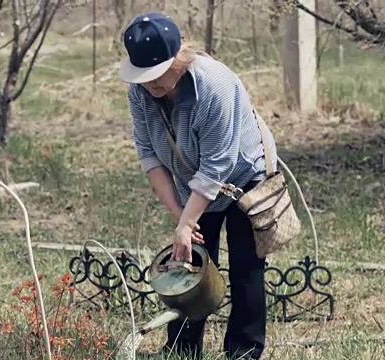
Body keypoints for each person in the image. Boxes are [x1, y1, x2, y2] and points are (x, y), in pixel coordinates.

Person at [119, 11, 278, 360]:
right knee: (186, 264)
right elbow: (148, 154)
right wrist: (181, 219)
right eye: (144, 78)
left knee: (245, 266)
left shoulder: (214, 86)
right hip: (192, 182)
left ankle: (244, 351)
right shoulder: (140, 93)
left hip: (242, 178)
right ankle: (181, 349)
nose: (151, 85)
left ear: (180, 56)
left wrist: (188, 221)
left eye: (158, 76)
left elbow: (218, 164)